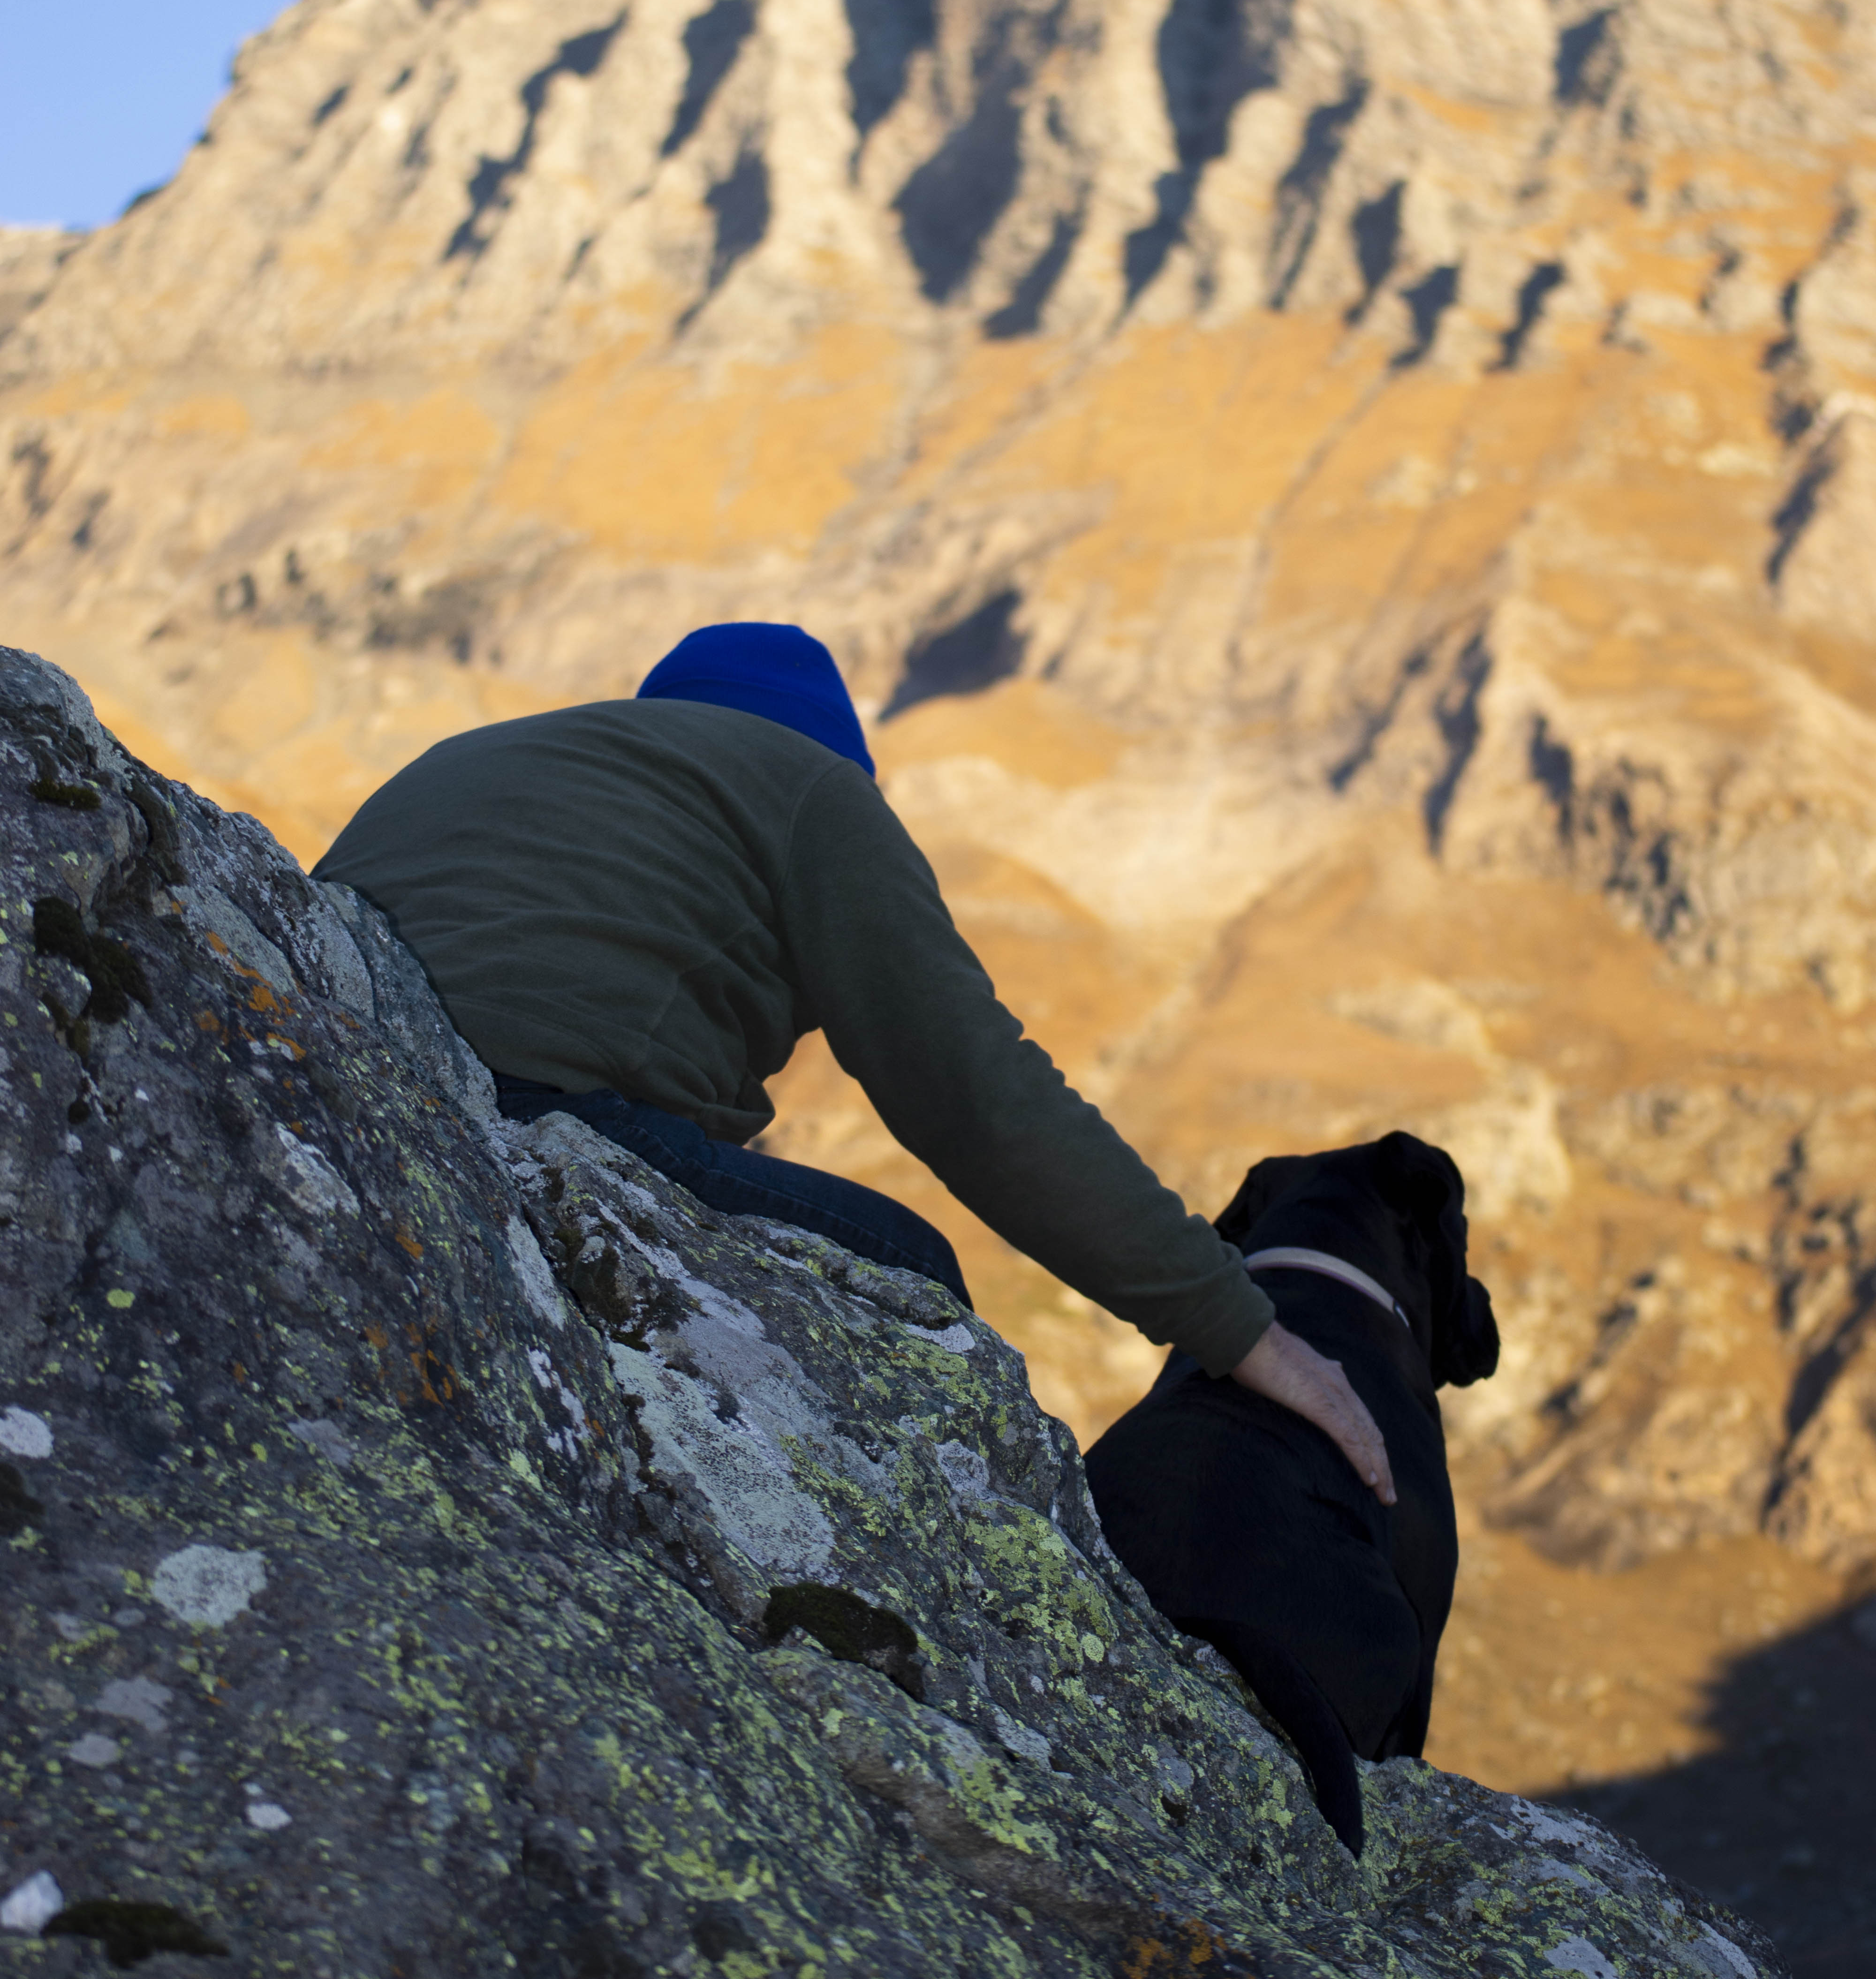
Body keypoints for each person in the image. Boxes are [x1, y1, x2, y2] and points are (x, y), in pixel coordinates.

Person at [315, 622, 1392, 1500]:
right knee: (901, 1282)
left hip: (330, 1097)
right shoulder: (812, 792)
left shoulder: (502, 750)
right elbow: (979, 1097)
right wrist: (1236, 1325)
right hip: (529, 1118)